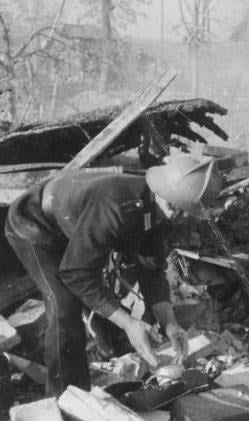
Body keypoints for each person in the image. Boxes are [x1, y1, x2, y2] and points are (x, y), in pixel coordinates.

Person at [4, 155, 222, 395]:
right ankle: (65, 399)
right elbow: (76, 273)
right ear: (162, 189)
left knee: (95, 294)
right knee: (64, 305)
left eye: (184, 211)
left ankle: (111, 349)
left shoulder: (156, 212)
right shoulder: (117, 208)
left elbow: (151, 268)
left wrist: (170, 322)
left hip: (75, 222)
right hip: (34, 222)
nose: (176, 216)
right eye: (174, 207)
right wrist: (128, 323)